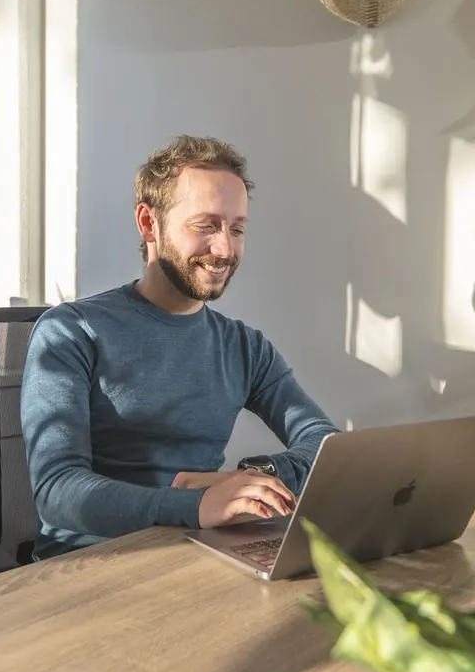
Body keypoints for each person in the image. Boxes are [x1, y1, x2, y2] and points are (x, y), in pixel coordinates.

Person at [22, 135, 335, 558]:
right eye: (206, 226)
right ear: (149, 224)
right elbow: (57, 490)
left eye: (237, 228)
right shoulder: (70, 331)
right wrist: (196, 504)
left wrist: (251, 476)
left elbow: (323, 443)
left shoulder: (244, 347)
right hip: (95, 564)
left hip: (202, 552)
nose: (224, 249)